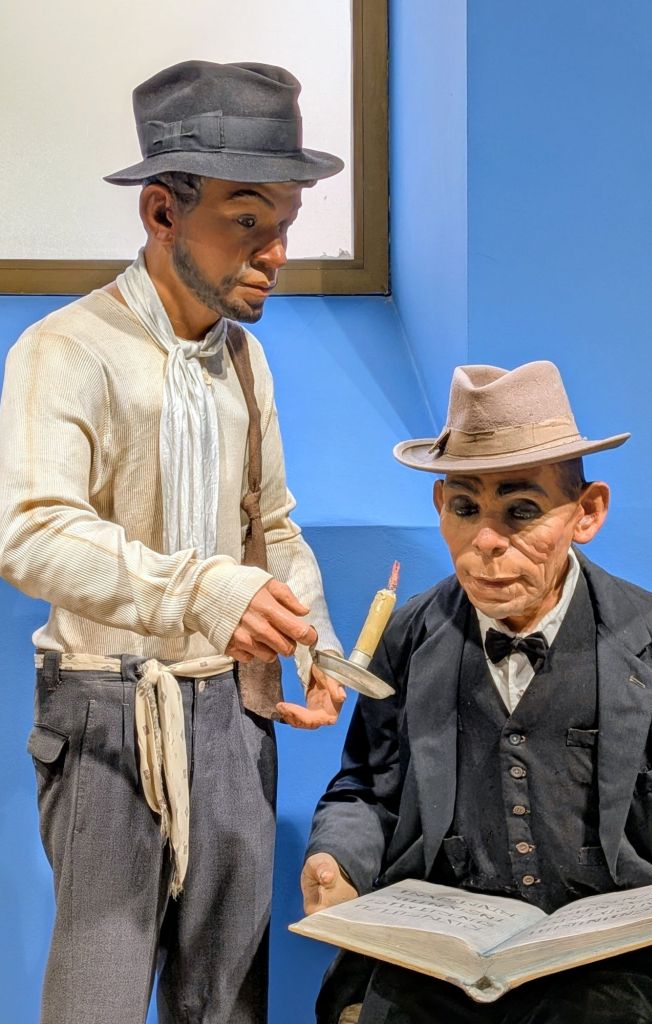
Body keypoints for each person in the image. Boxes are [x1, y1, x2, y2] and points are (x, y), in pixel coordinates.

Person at [0, 60, 347, 1024]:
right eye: (248, 220)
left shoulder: (247, 358)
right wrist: (201, 592)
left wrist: (312, 640)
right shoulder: (67, 349)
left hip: (234, 714)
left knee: (228, 999)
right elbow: (30, 532)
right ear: (162, 211)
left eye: (285, 222)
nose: (275, 252)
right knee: (97, 997)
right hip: (111, 718)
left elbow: (270, 522)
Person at [301, 361, 652, 1024]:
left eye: (521, 511)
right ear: (439, 507)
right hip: (447, 970)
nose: (487, 541)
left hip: (640, 970)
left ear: (587, 512)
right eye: (465, 508)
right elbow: (367, 787)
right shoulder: (407, 637)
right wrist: (336, 858)